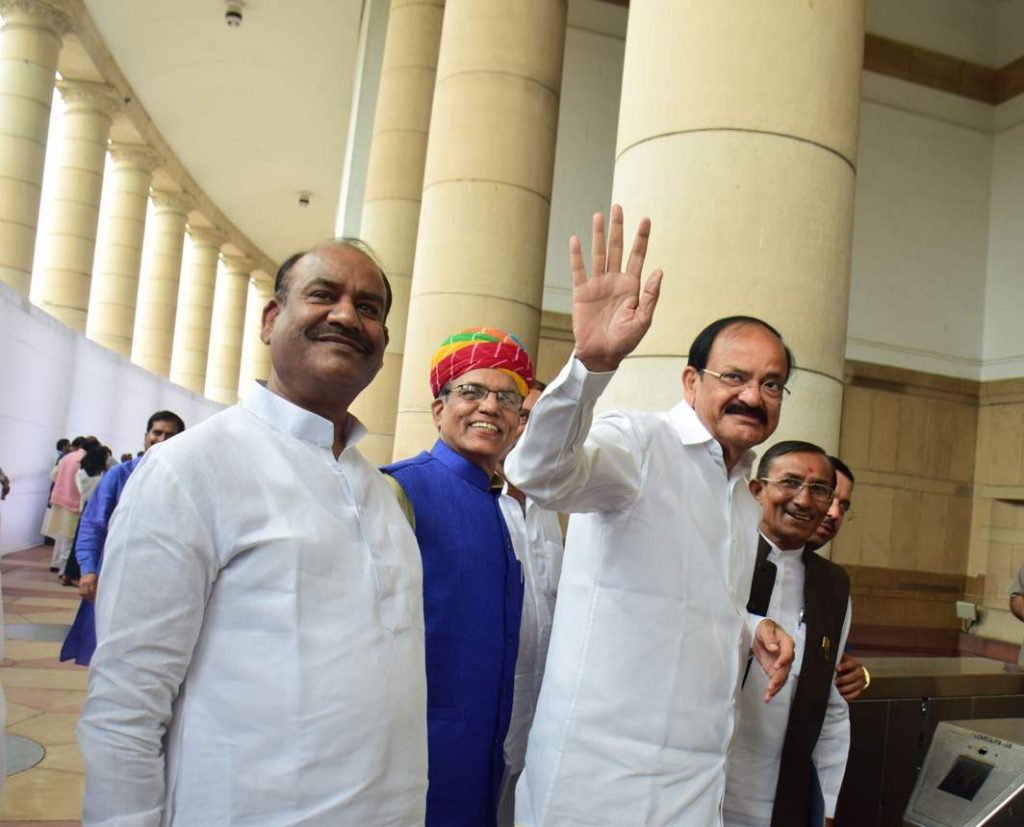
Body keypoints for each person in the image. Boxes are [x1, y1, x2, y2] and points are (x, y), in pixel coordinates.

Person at [78, 239, 428, 825]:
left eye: (369, 308)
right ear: (272, 320)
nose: (346, 315)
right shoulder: (189, 469)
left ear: (383, 346)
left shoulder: (382, 493)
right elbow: (125, 703)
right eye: (323, 295)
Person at [505, 206, 795, 825]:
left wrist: (748, 629)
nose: (753, 395)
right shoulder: (637, 445)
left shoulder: (743, 496)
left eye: (772, 384)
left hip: (695, 783)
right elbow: (540, 472)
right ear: (691, 382)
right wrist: (590, 365)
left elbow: (683, 596)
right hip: (598, 783)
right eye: (735, 376)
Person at [383, 327, 536, 826]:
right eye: (471, 391)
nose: (489, 407)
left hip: (486, 755)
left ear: (518, 422)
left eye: (506, 398)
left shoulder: (502, 506)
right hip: (411, 757)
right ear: (438, 409)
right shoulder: (397, 491)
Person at [724, 441, 852, 827]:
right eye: (791, 483)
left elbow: (831, 707)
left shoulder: (833, 586)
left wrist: (826, 807)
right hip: (703, 787)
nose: (805, 500)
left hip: (782, 799)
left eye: (819, 490)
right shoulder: (723, 556)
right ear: (757, 490)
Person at [59, 411, 185, 665]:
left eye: (170, 435)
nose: (161, 439)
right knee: (109, 656)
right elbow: (94, 524)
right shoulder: (120, 476)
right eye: (157, 432)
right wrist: (89, 570)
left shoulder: (187, 481)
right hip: (118, 578)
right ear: (145, 437)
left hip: (164, 584)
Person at [496, 380, 564, 827]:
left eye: (542, 420)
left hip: (540, 729)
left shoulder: (553, 508)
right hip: (484, 729)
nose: (530, 430)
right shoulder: (476, 502)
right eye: (523, 416)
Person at [806, 457, 869, 702]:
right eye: (826, 496)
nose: (834, 513)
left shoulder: (831, 582)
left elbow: (838, 659)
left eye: (843, 506)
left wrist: (857, 675)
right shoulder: (743, 558)